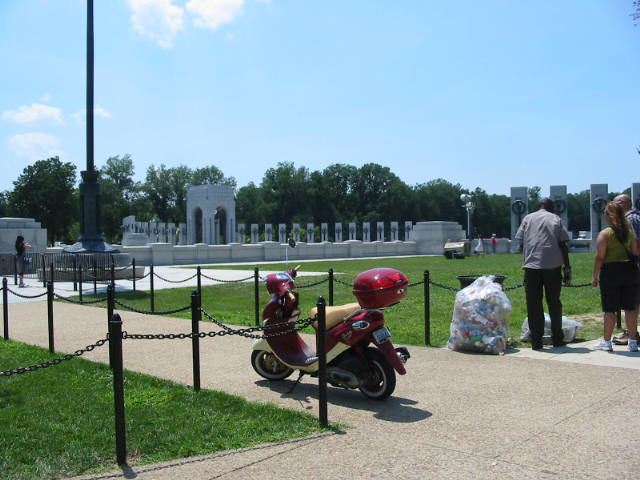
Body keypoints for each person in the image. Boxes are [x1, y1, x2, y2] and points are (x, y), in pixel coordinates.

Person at [515, 198, 572, 350]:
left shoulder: (527, 218)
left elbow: (521, 242)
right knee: (554, 302)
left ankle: (536, 341)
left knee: (533, 304)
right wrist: (567, 268)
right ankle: (557, 339)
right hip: (552, 266)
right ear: (551, 207)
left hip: (531, 266)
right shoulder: (555, 218)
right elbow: (563, 244)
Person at [591, 201, 640, 352]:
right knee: (630, 308)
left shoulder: (605, 234)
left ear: (610, 216)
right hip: (630, 271)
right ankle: (632, 341)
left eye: (605, 212)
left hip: (611, 272)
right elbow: (636, 252)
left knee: (610, 310)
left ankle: (606, 342)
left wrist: (594, 276)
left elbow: (600, 257)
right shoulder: (630, 233)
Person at [611, 194, 640, 345]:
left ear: (622, 204)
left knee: (632, 302)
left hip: (635, 265)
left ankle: (632, 335)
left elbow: (634, 243)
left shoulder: (630, 219)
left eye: (614, 204)